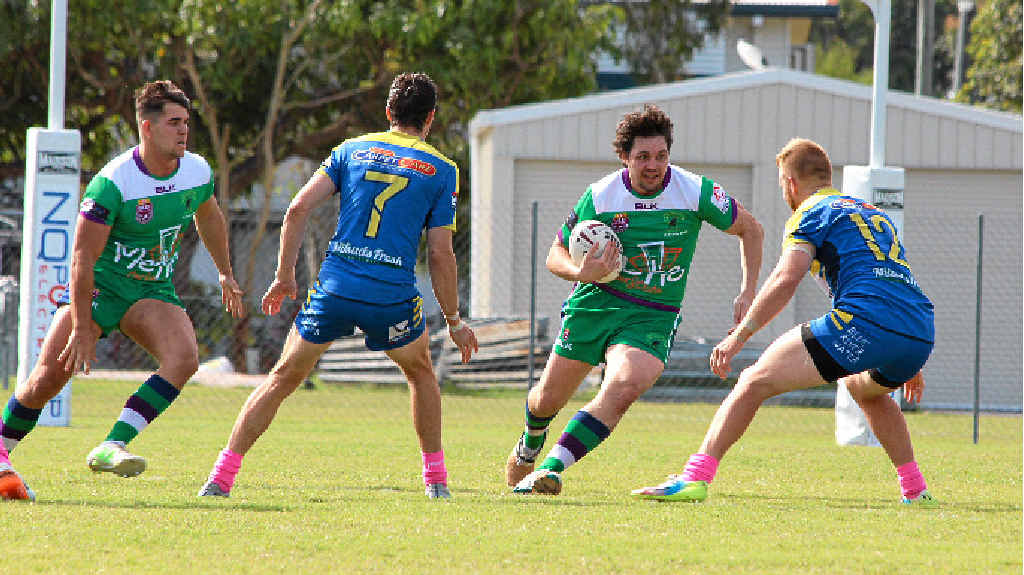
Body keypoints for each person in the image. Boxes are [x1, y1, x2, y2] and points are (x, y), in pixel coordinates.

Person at [198, 73, 478, 500]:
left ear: (388, 113)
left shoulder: (352, 150)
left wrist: (284, 277)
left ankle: (221, 477)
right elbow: (441, 254)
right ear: (431, 119)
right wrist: (455, 320)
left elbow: (296, 210)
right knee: (421, 374)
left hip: (336, 287)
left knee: (282, 377)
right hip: (392, 295)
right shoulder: (442, 170)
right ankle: (436, 483)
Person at [632, 138, 938, 506]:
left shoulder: (811, 212)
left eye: (781, 184)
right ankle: (916, 491)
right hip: (918, 329)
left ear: (790, 183)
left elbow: (785, 278)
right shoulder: (872, 213)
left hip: (868, 323)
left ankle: (694, 478)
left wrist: (739, 337)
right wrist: (903, 354)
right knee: (864, 389)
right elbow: (890, 277)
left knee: (752, 380)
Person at [0, 80, 245, 501]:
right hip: (101, 288)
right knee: (46, 380)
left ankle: (112, 444)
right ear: (147, 128)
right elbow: (82, 259)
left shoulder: (196, 170)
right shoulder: (113, 183)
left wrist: (224, 270)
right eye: (174, 122)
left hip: (151, 289)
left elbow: (210, 217)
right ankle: (2, 451)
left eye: (186, 122)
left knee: (184, 359)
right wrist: (81, 327)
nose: (183, 131)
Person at [508, 104, 764, 495]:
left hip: (652, 315)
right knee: (545, 400)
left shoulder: (695, 191)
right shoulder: (601, 196)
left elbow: (752, 229)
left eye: (661, 155)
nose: (654, 165)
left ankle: (552, 467)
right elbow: (554, 254)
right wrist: (581, 273)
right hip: (595, 304)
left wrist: (748, 291)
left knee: (624, 386)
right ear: (624, 157)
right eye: (643, 156)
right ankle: (531, 441)